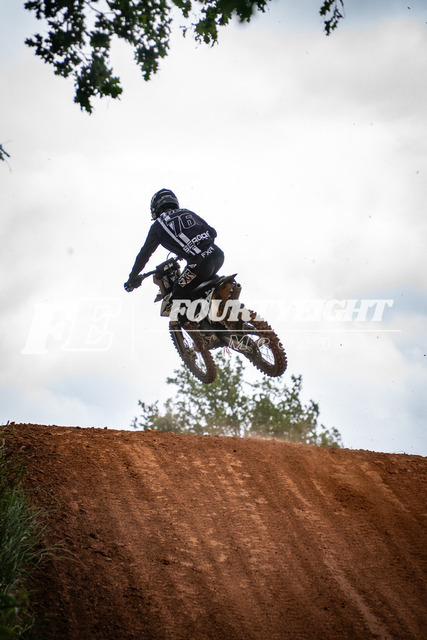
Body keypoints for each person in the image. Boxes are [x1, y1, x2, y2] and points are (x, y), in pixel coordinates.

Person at [124, 189, 224, 300]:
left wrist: (132, 278)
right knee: (204, 285)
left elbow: (144, 254)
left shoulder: (158, 225)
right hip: (218, 254)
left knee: (177, 294)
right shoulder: (186, 211)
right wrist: (194, 246)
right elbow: (212, 232)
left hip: (199, 263)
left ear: (155, 207)